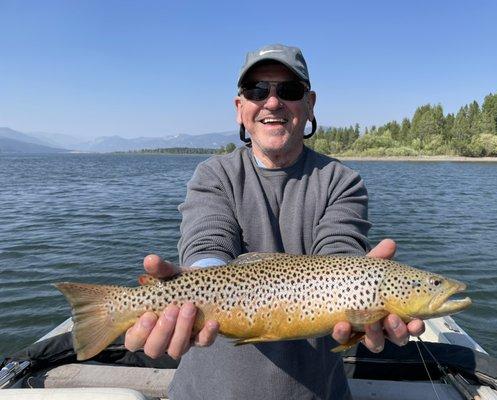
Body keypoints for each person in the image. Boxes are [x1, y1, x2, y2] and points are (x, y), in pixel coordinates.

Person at [125, 44, 425, 400]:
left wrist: (362, 284)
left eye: (289, 90)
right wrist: (190, 287)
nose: (271, 102)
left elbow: (338, 253)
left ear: (309, 104)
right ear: (240, 108)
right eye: (257, 90)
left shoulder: (341, 180)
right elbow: (208, 246)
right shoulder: (213, 174)